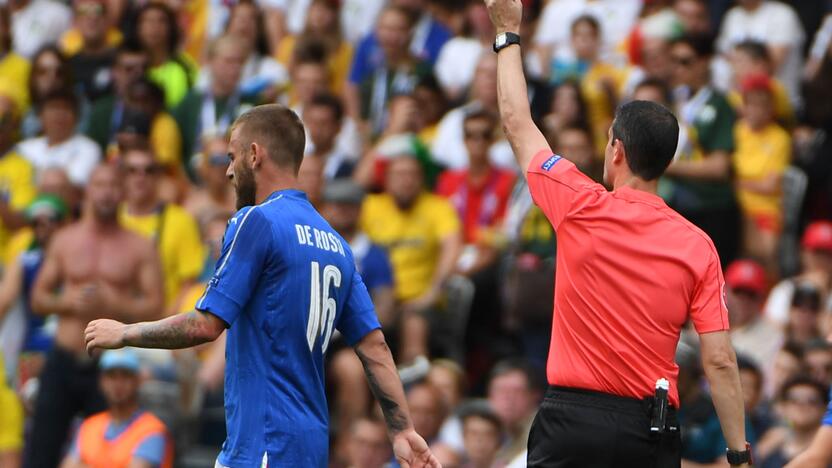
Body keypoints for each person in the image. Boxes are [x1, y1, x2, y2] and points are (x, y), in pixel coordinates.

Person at [83, 104, 440, 468]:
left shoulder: (256, 221)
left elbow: (205, 325)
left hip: (264, 445)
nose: (227, 171)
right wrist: (402, 429)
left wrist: (126, 332)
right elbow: (374, 344)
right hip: (307, 447)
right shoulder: (336, 243)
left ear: (254, 155)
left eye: (231, 156)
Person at [484, 1, 749, 467]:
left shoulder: (579, 203)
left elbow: (517, 123)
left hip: (569, 422)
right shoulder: (697, 245)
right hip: (646, 430)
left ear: (617, 151)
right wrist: (738, 455)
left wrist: (508, 33)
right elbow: (721, 361)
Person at [25, 164, 163, 468]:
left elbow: (156, 306)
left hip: (109, 365)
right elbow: (38, 298)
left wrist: (115, 302)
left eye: (114, 185)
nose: (106, 192)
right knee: (40, 453)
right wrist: (69, 303)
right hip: (62, 358)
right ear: (88, 190)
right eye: (99, 184)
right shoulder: (66, 239)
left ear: (123, 191)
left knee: (103, 457)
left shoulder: (138, 246)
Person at [118, 146, 204, 314]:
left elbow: (188, 284)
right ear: (122, 176)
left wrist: (163, 327)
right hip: (114, 319)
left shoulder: (181, 220)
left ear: (159, 176)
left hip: (162, 323)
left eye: (148, 170)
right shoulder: (111, 218)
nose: (140, 177)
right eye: (132, 170)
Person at [59, 349, 173, 468]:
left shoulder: (152, 430)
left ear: (137, 381)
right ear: (101, 381)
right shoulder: (89, 426)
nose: (118, 383)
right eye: (111, 376)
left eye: (125, 376)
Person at [732, 74, 791, 268]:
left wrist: (736, 183)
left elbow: (770, 185)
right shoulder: (736, 131)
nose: (757, 110)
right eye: (752, 103)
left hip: (765, 209)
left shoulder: (779, 138)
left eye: (763, 104)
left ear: (771, 108)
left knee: (767, 254)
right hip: (735, 205)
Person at [17, 88, 102, 188]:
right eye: (53, 108)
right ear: (40, 116)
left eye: (65, 109)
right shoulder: (23, 149)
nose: (59, 115)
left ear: (77, 116)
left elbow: (73, 186)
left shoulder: (88, 148)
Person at [724, 259, 783, 372]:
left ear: (761, 298)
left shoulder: (771, 336)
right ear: (725, 290)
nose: (744, 300)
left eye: (751, 294)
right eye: (738, 291)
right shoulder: (706, 322)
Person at [758, 376, 829, 467]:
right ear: (782, 406)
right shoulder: (769, 448)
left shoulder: (827, 453)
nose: (802, 405)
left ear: (824, 408)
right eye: (794, 400)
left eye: (812, 401)